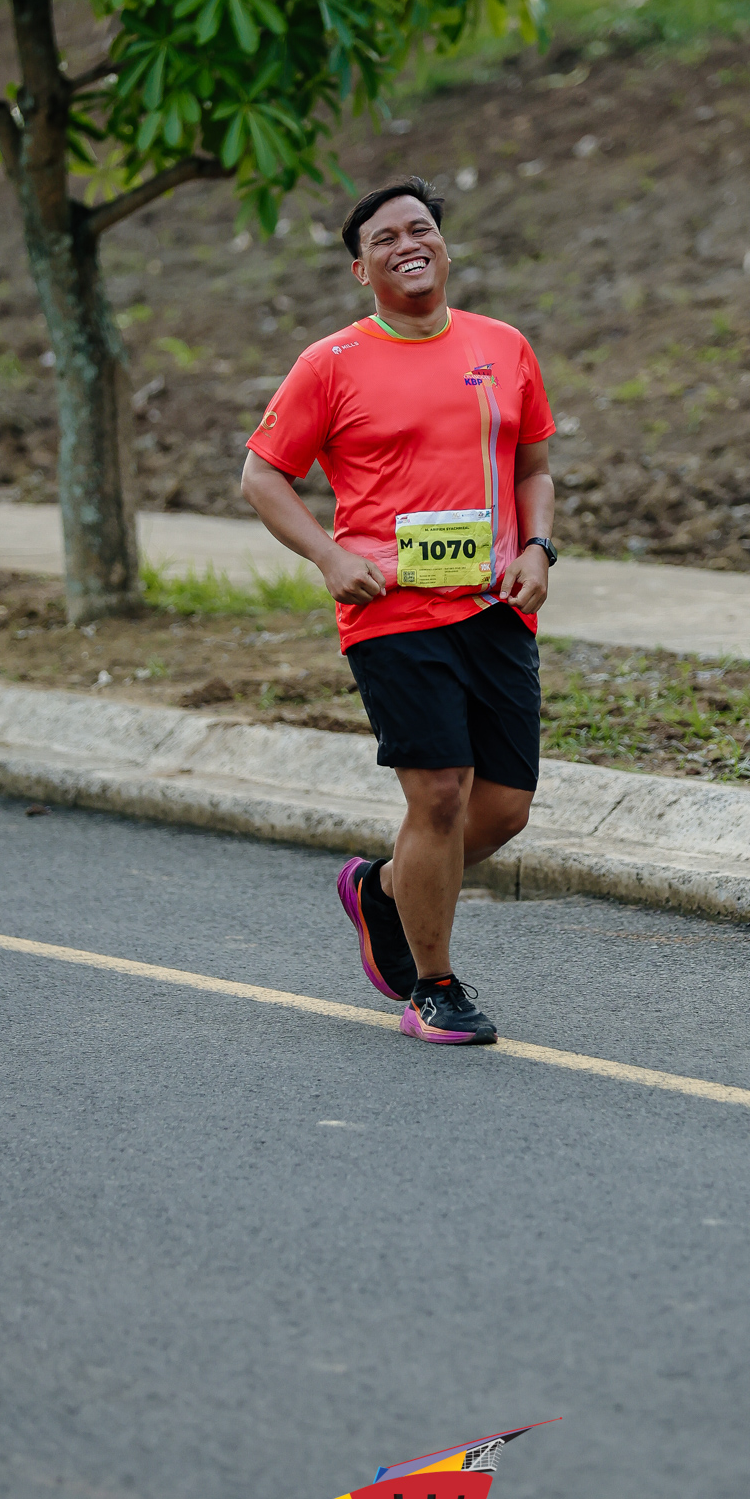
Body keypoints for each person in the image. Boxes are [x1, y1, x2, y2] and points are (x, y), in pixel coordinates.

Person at [240, 176, 557, 1045]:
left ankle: (382, 888)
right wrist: (330, 556)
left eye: (421, 230)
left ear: (443, 248)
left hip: (494, 608)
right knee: (441, 795)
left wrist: (538, 548)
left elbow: (533, 466)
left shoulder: (503, 346)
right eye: (384, 238)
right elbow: (263, 476)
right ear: (361, 269)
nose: (407, 244)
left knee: (504, 810)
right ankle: (434, 987)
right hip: (391, 611)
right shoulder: (331, 362)